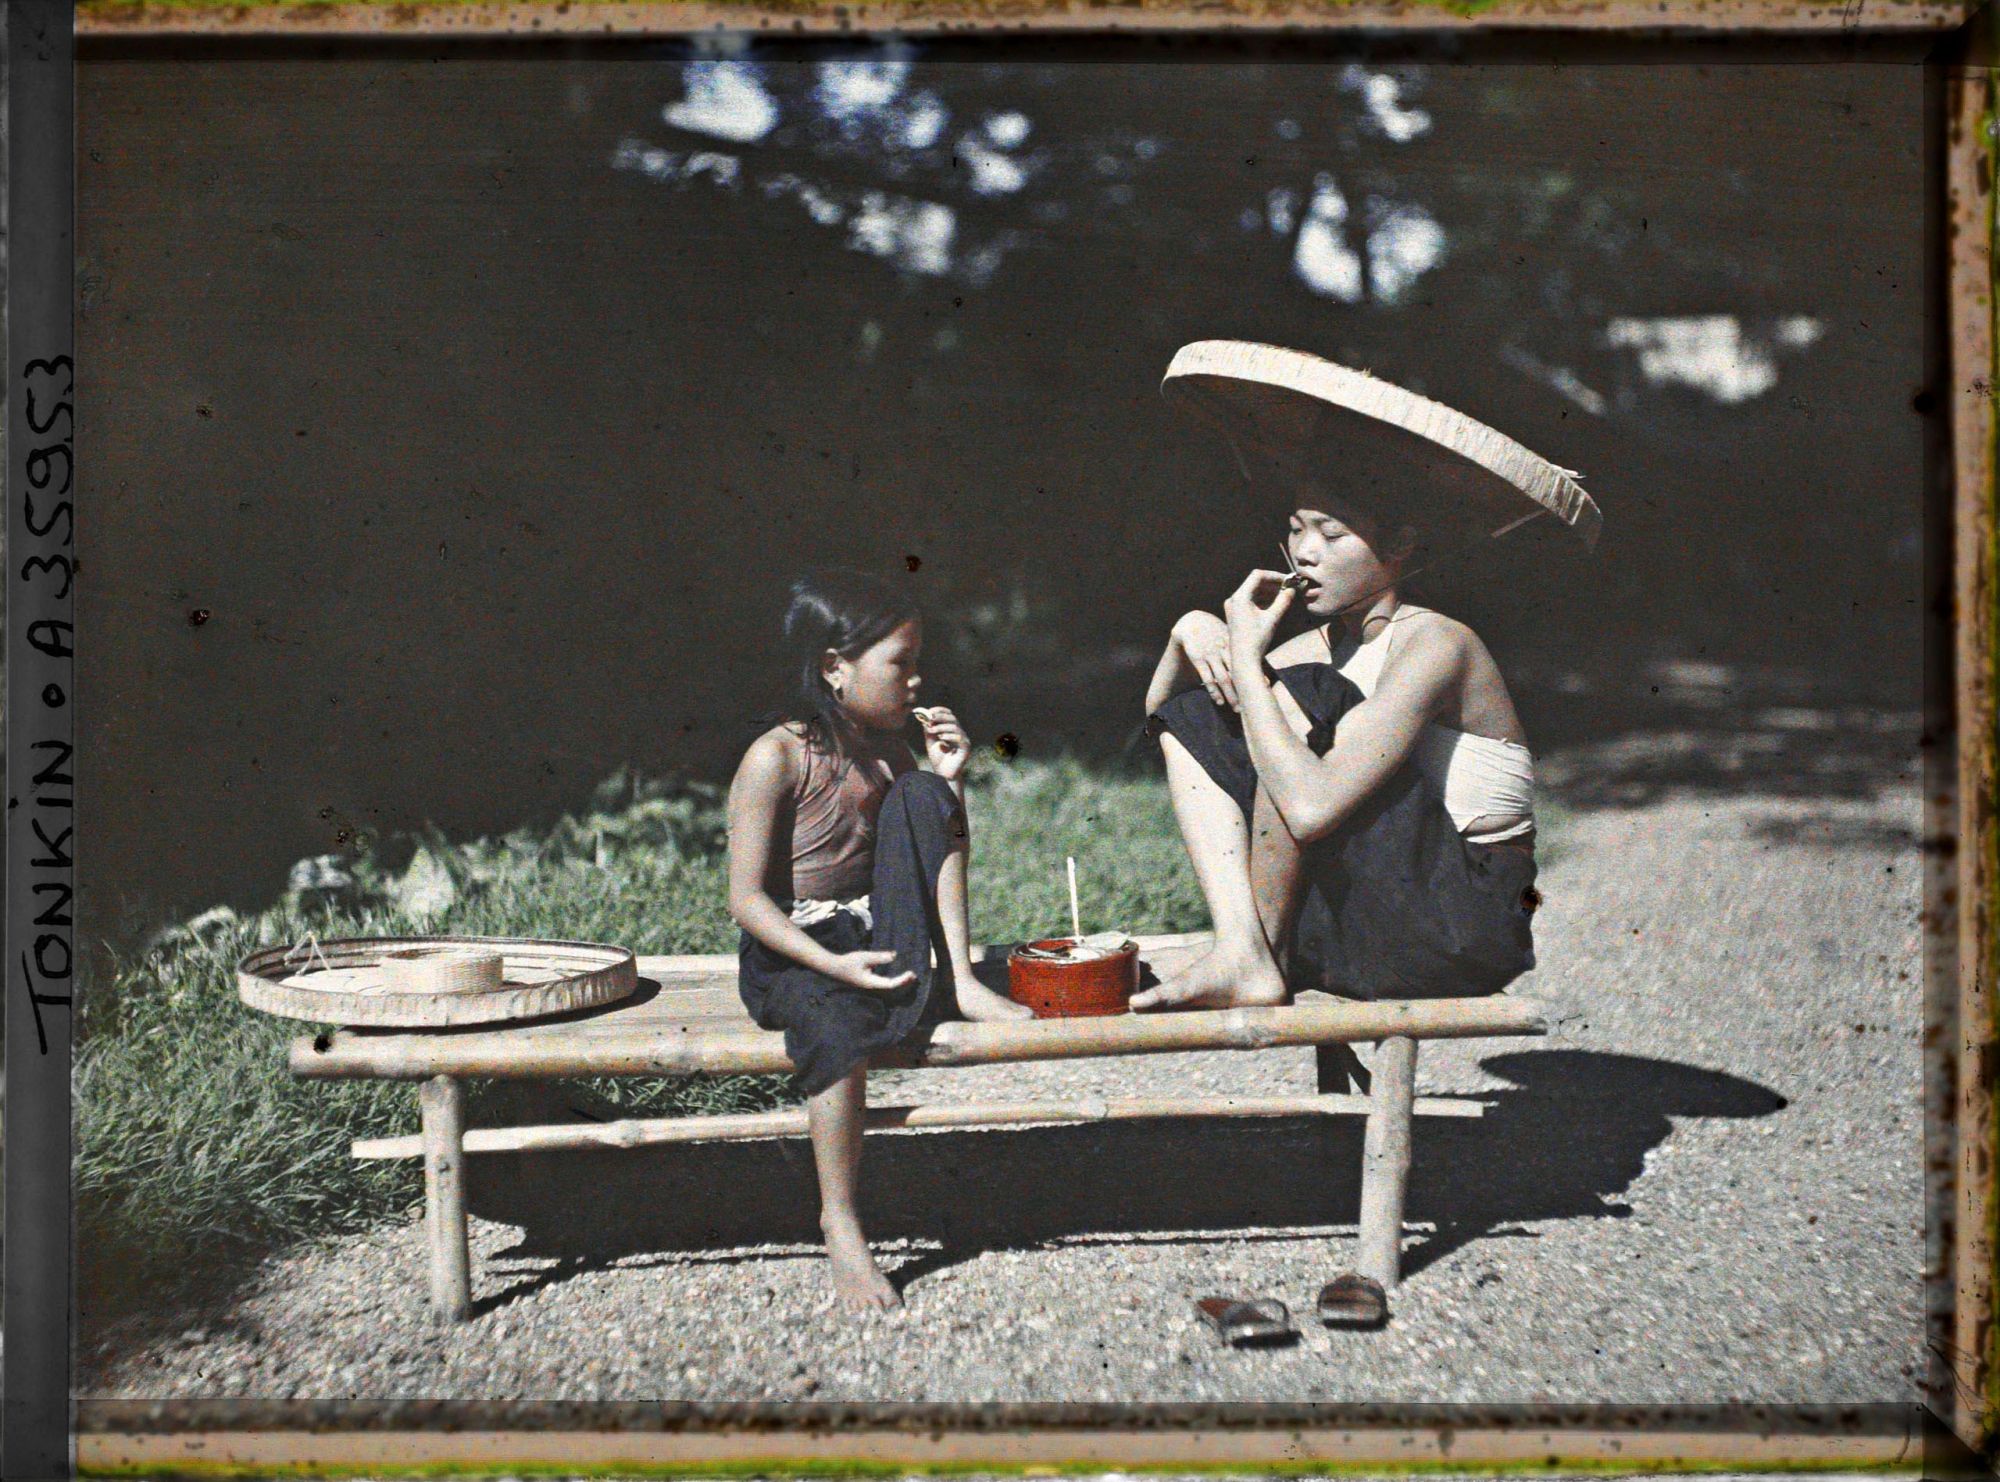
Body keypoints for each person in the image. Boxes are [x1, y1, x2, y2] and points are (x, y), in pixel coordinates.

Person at [728, 568, 1032, 1310]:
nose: (916, 679)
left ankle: (958, 983)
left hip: (871, 930)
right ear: (836, 668)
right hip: (796, 948)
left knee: (926, 792)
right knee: (831, 1022)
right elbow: (746, 901)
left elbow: (930, 855)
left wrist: (950, 780)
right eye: (900, 663)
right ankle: (840, 1219)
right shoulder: (776, 757)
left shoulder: (892, 753)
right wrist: (833, 966)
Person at [1135, 475, 1540, 1011]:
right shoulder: (1315, 649)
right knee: (1243, 706)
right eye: (1295, 530)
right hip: (1377, 911)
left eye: (1331, 534)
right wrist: (1187, 634)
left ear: (1399, 545)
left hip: (1466, 922)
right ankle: (1243, 949)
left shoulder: (1438, 643)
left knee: (1301, 697)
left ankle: (1251, 957)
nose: (1304, 553)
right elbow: (1179, 726)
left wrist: (1247, 661)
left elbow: (1311, 810)